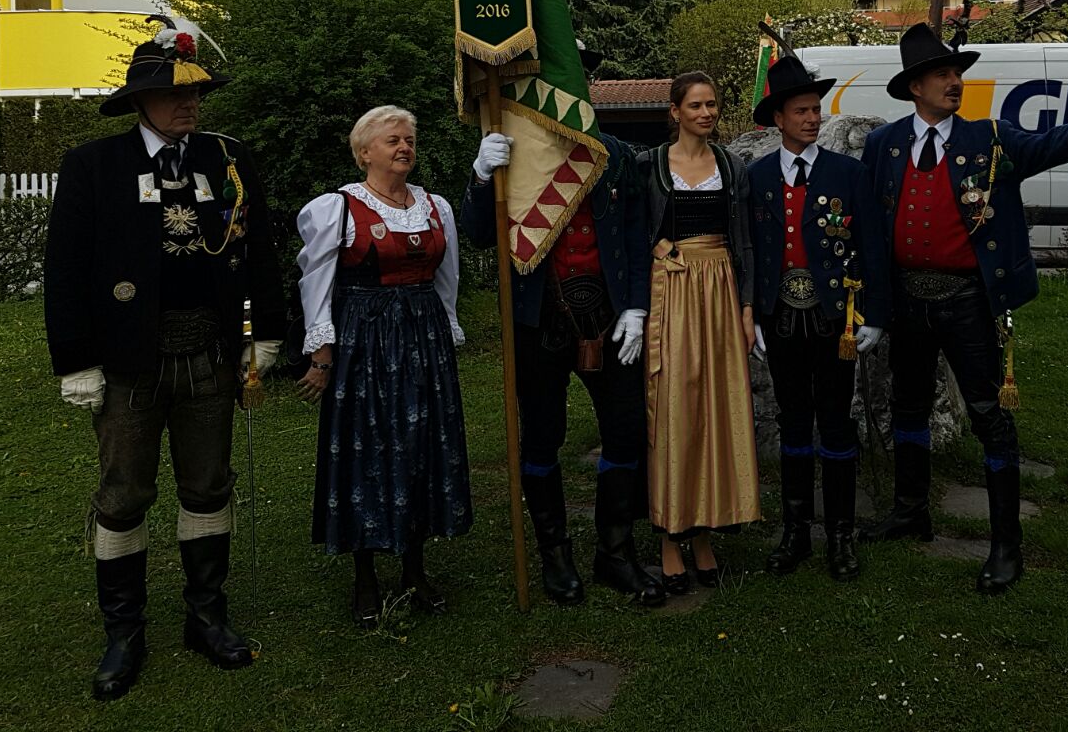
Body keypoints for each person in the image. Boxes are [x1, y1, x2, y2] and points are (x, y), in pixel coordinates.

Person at [44, 19, 283, 701]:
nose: (190, 105)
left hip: (208, 351)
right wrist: (75, 362)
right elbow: (65, 272)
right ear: (141, 101)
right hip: (126, 361)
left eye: (197, 93)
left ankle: (206, 617)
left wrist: (263, 336)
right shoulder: (93, 167)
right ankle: (125, 633)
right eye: (176, 94)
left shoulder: (227, 159)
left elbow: (259, 251)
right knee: (123, 495)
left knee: (208, 486)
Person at [860, 24, 1068, 595]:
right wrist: (873, 307)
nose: (955, 82)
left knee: (990, 415)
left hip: (967, 302)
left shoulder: (989, 138)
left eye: (956, 72)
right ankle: (912, 512)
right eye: (942, 74)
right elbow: (870, 227)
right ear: (916, 86)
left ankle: (1005, 544)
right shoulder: (884, 145)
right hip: (908, 300)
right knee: (907, 407)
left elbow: (1044, 147)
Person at [461, 55, 665, 608]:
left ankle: (614, 553)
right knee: (542, 437)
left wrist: (636, 307)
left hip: (609, 317)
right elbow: (479, 235)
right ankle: (554, 557)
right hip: (539, 321)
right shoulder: (511, 155)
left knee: (624, 432)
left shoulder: (614, 156)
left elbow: (639, 233)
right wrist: (481, 176)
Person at [295, 106, 471, 627]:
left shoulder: (435, 207)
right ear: (364, 151)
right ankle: (366, 576)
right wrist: (321, 349)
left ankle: (415, 568)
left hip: (423, 337)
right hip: (365, 340)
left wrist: (448, 325)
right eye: (393, 140)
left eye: (410, 140)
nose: (405, 148)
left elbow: (448, 277)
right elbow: (316, 281)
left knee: (423, 447)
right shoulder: (339, 208)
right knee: (367, 446)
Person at [747, 56, 890, 582]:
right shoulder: (757, 176)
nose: (812, 118)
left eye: (816, 110)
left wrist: (874, 314)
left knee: (835, 422)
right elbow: (753, 251)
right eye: (802, 111)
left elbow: (872, 244)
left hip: (836, 320)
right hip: (781, 319)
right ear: (778, 119)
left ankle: (840, 537)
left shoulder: (848, 174)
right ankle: (795, 533)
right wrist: (755, 316)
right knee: (792, 422)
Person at [640, 71, 760, 591]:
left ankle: (705, 529)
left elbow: (746, 240)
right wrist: (657, 253)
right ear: (675, 112)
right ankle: (670, 533)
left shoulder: (731, 166)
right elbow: (630, 226)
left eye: (712, 105)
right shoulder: (650, 165)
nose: (706, 113)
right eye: (695, 106)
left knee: (715, 407)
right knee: (674, 407)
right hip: (672, 289)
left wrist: (748, 305)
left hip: (720, 289)